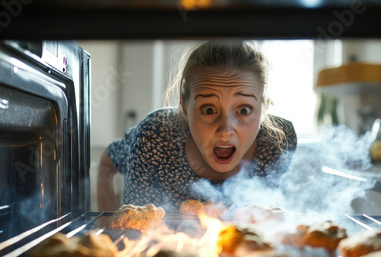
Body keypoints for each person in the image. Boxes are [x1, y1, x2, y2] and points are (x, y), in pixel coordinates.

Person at [97, 40, 297, 212]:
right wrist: (106, 229)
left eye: (243, 110)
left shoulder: (279, 141)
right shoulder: (154, 136)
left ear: (263, 110)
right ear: (184, 109)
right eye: (209, 110)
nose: (226, 129)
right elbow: (107, 162)